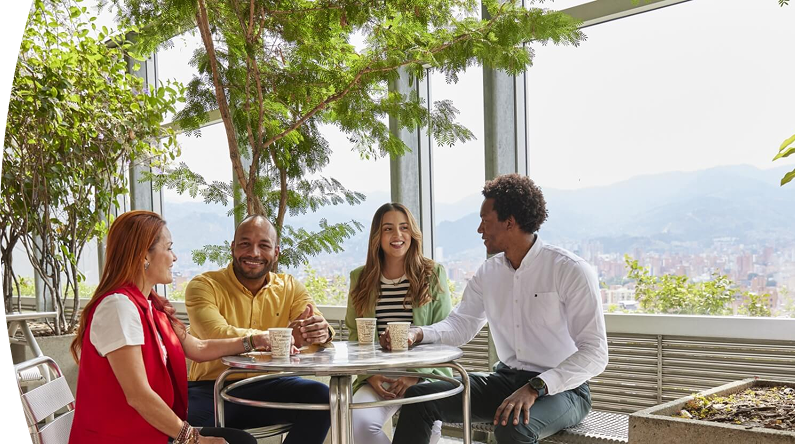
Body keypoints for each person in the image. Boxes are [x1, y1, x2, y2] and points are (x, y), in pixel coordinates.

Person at [387, 174, 609, 444]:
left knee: (513, 426)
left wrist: (536, 387)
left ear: (509, 222)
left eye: (485, 220)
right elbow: (461, 323)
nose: (480, 229)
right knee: (420, 398)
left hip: (563, 390)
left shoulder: (569, 269)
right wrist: (419, 333)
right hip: (506, 380)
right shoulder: (488, 272)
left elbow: (595, 352)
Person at [69, 210, 271, 444]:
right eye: (168, 248)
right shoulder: (119, 308)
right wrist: (195, 439)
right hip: (123, 438)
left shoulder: (149, 306)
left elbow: (199, 347)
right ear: (144, 255)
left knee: (241, 440)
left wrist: (254, 341)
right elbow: (139, 396)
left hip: (147, 433)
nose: (174, 257)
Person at [185, 214, 333, 444]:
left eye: (264, 245)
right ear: (233, 247)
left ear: (276, 252)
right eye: (245, 244)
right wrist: (268, 338)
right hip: (212, 388)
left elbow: (316, 324)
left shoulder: (289, 287)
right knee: (183, 428)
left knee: (322, 398)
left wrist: (320, 332)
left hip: (270, 385)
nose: (254, 253)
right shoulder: (204, 286)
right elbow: (214, 335)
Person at [345, 203, 453, 444]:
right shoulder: (359, 278)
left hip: (425, 375)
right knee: (356, 422)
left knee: (426, 433)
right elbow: (354, 334)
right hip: (379, 375)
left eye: (404, 227)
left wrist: (416, 377)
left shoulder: (432, 274)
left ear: (412, 233)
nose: (397, 235)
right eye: (388, 229)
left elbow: (444, 332)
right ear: (377, 236)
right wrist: (370, 374)